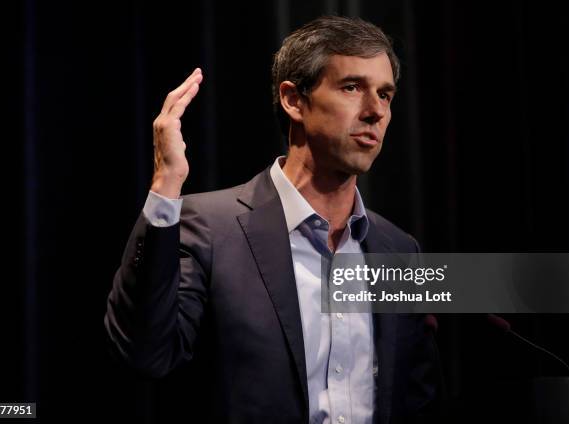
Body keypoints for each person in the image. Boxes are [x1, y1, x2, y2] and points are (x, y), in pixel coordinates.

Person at [105, 15, 442, 423]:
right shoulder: (210, 228)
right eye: (352, 87)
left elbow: (416, 400)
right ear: (293, 100)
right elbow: (146, 353)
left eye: (386, 95)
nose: (376, 112)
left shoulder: (399, 250)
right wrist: (165, 187)